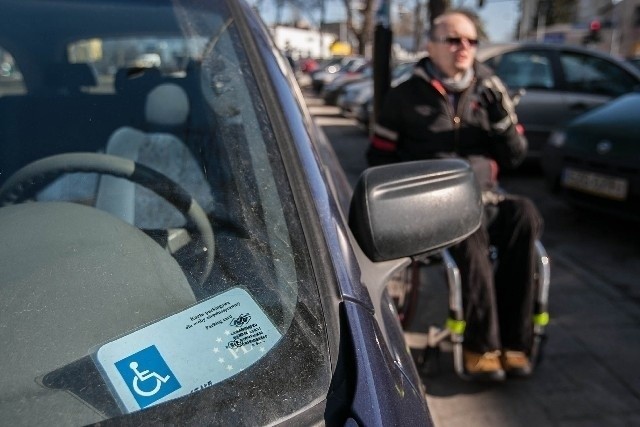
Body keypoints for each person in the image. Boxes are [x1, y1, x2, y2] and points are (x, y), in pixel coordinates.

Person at [368, 9, 543, 381]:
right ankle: (483, 346)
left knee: (525, 214)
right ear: (430, 46)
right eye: (453, 39)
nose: (464, 47)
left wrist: (503, 124)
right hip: (432, 206)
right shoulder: (403, 96)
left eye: (471, 40)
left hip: (486, 196)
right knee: (470, 228)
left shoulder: (490, 88)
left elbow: (514, 157)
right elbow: (378, 157)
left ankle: (516, 342)